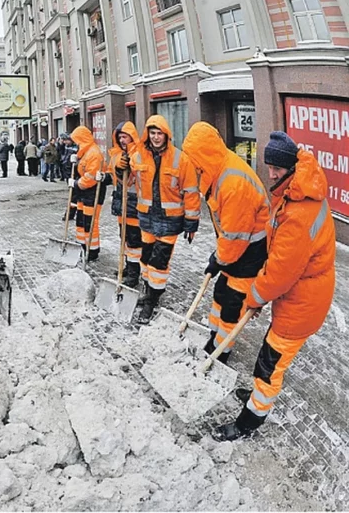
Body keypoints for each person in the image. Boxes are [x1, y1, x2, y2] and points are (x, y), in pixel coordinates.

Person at [212, 131, 336, 442]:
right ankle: (256, 398)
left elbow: (281, 272)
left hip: (302, 305)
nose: (271, 174)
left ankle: (250, 420)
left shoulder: (299, 213)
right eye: (269, 167)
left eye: (276, 168)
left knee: (270, 366)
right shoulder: (296, 193)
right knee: (269, 355)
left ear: (291, 167)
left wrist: (254, 298)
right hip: (299, 296)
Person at [182, 122, 270, 364]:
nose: (194, 168)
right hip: (236, 247)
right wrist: (220, 258)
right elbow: (229, 234)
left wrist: (218, 259)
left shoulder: (233, 184)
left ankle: (221, 351)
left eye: (195, 161)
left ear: (204, 155)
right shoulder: (217, 170)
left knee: (233, 302)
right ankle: (214, 335)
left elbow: (235, 236)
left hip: (251, 252)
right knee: (221, 290)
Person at [129, 115, 201, 325]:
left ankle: (152, 300)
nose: (156, 137)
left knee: (159, 261)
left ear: (166, 135)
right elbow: (128, 178)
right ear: (147, 134)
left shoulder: (181, 159)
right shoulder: (138, 156)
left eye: (159, 133)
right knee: (145, 258)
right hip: (146, 217)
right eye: (152, 133)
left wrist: (191, 222)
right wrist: (119, 167)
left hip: (170, 220)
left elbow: (191, 193)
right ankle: (148, 291)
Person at [108, 121, 143, 288]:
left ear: (132, 137)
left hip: (134, 205)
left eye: (125, 137)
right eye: (120, 137)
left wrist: (129, 165)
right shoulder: (116, 154)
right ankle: (128, 267)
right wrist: (115, 169)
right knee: (124, 239)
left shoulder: (139, 154)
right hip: (121, 204)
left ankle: (134, 274)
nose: (122, 140)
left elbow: (135, 178)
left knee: (134, 241)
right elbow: (113, 175)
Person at [69, 126, 107, 262]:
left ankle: (92, 250)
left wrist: (75, 183)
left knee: (90, 223)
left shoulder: (94, 153)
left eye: (76, 140)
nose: (75, 143)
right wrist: (75, 162)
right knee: (80, 220)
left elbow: (90, 178)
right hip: (83, 193)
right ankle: (82, 246)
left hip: (93, 192)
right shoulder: (85, 152)